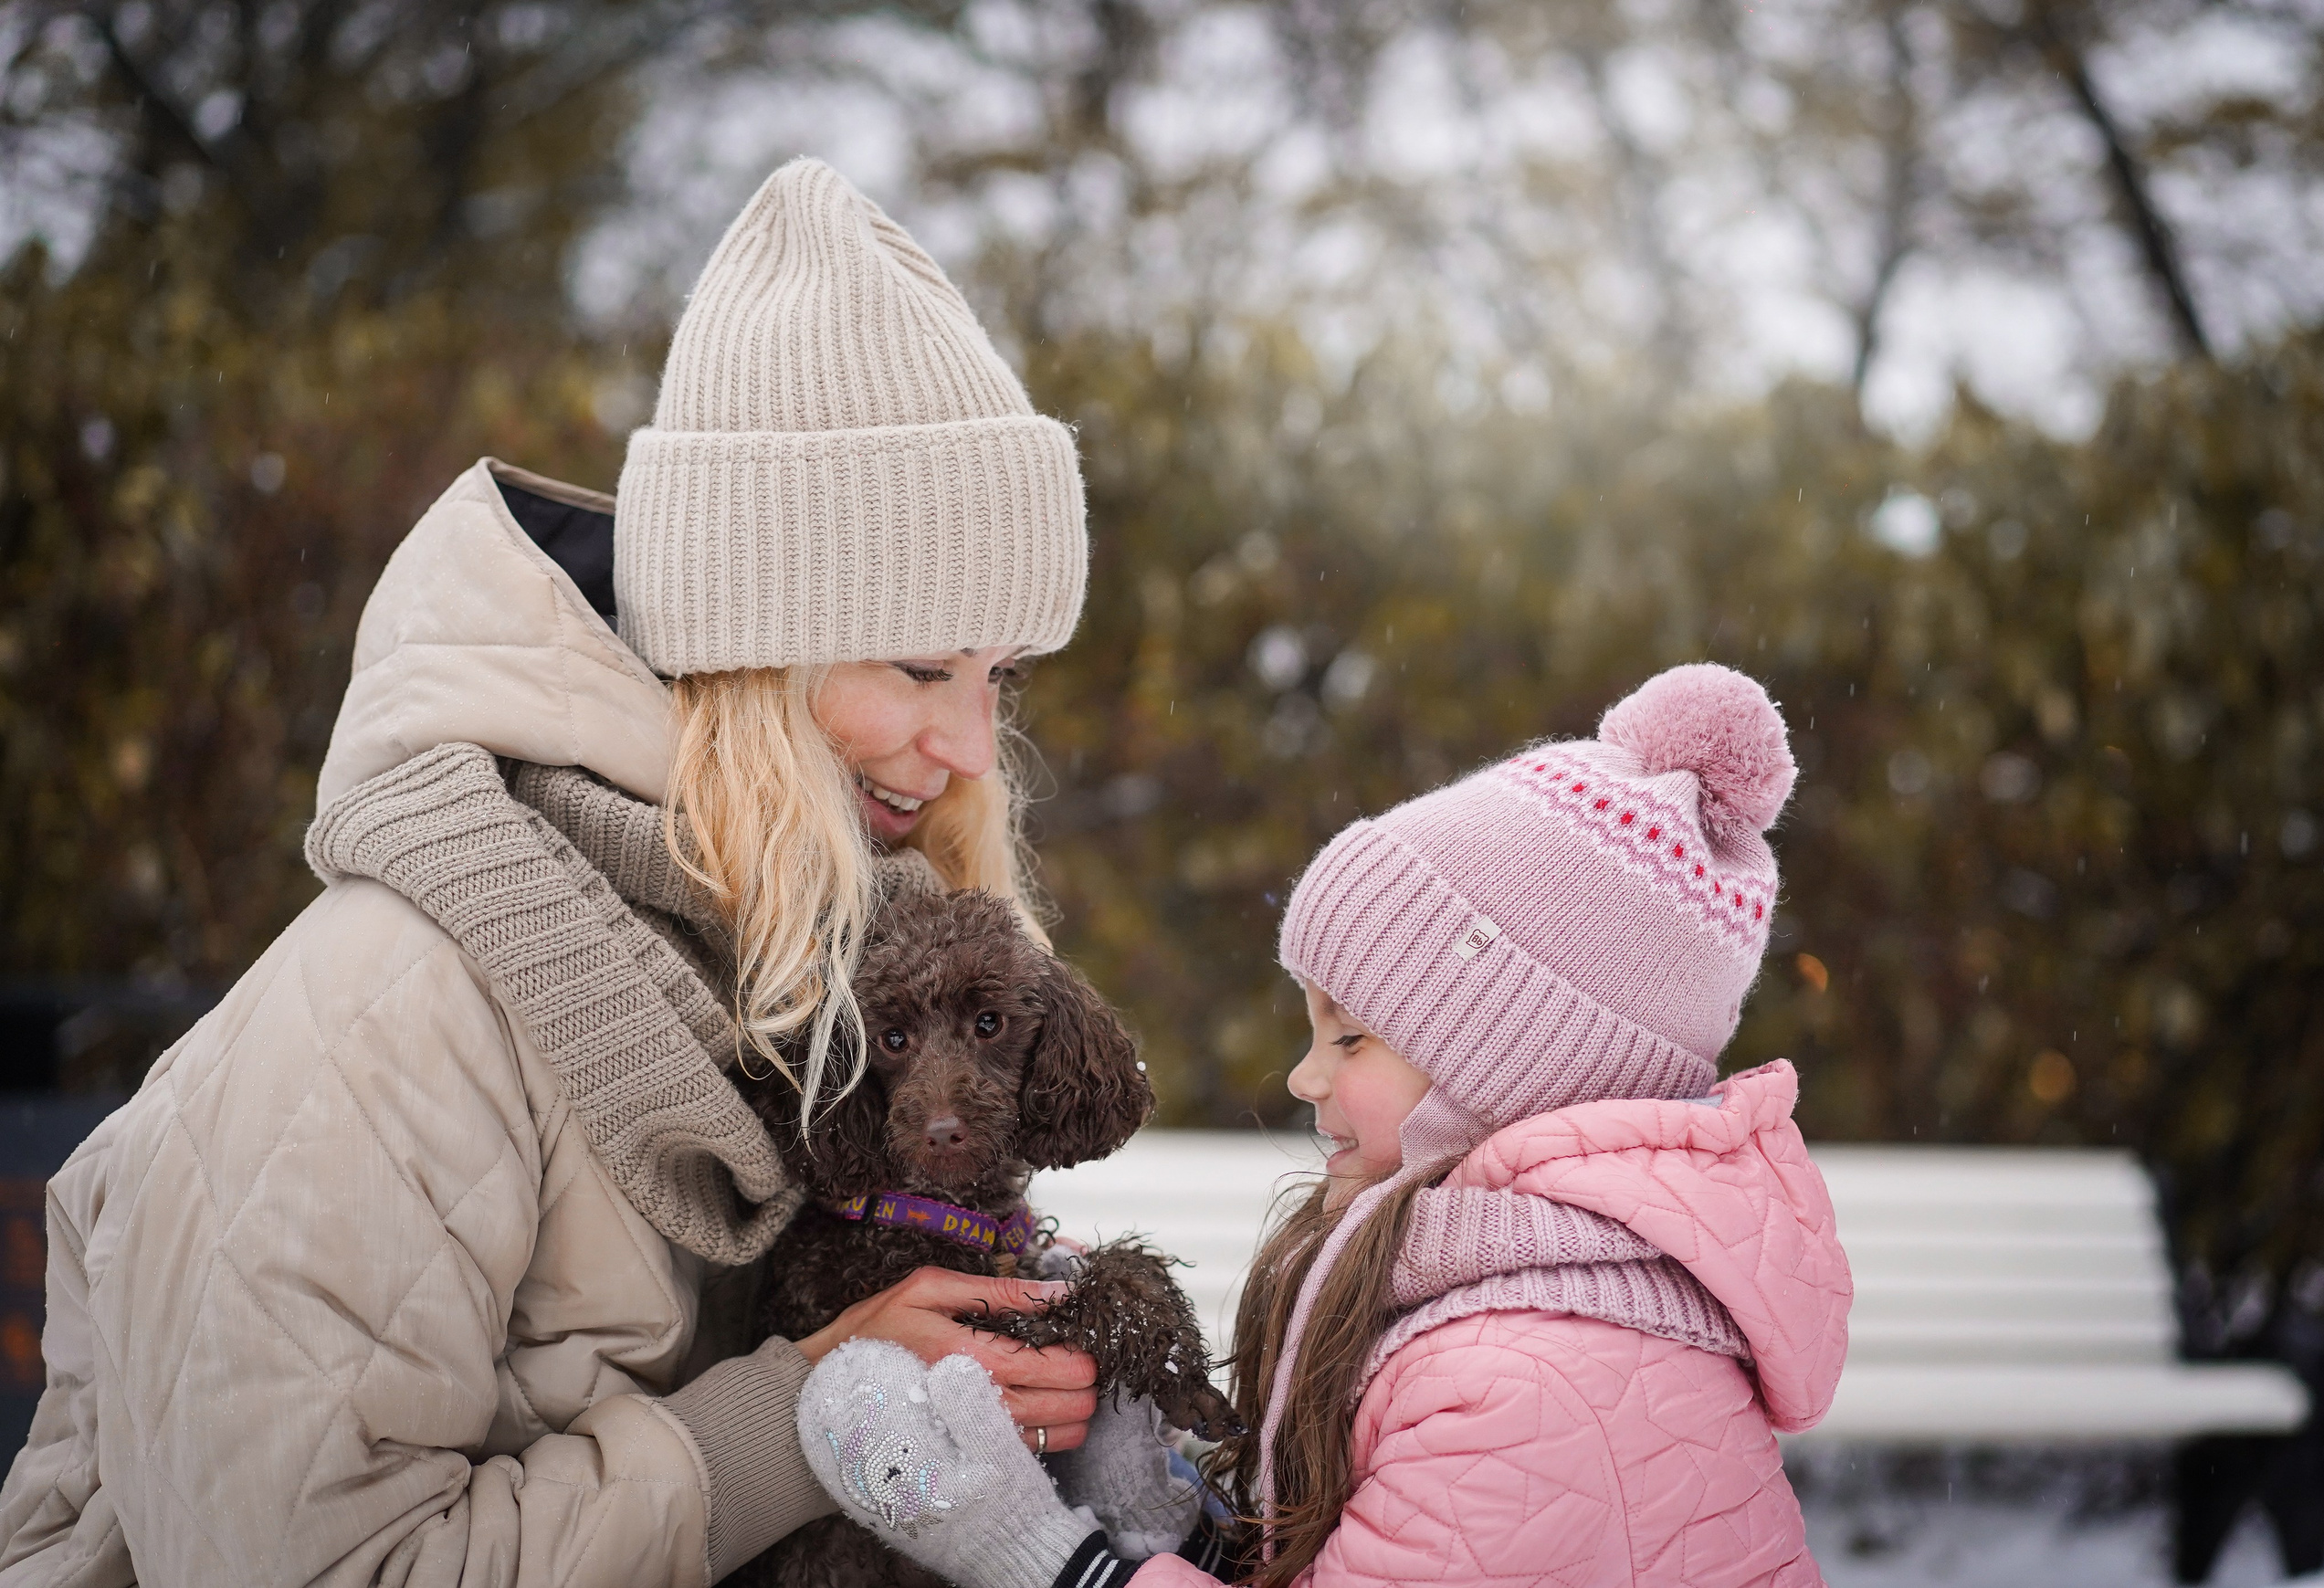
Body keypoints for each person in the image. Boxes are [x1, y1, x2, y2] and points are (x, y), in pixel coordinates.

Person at [0, 158, 1104, 1587]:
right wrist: (799, 1416)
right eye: (917, 663)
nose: (968, 743)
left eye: (999, 674)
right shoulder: (396, 1002)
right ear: (749, 652)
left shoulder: (822, 984)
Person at [789, 663, 1856, 1586]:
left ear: (1509, 1062)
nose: (1303, 1075)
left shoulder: (1524, 1388)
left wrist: (1034, 1548)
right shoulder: (1483, 1293)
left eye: (1349, 1040)